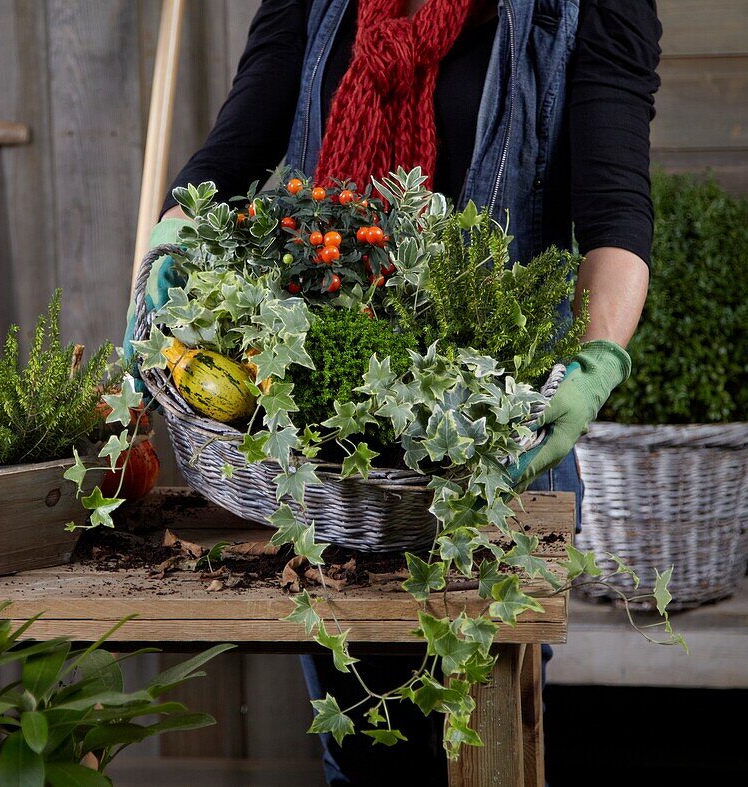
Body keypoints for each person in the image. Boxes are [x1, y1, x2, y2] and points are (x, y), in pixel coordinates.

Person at [127, 0, 661, 783]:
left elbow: (615, 211)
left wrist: (596, 363)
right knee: (360, 756)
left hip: (490, 447)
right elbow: (228, 157)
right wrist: (175, 237)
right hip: (336, 459)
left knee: (479, 750)